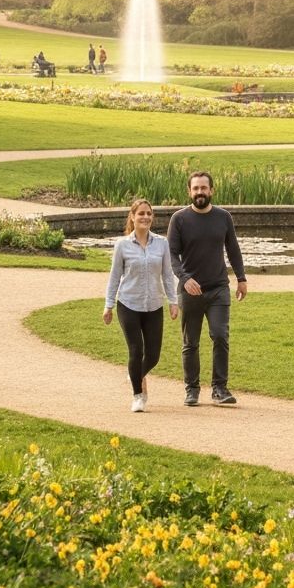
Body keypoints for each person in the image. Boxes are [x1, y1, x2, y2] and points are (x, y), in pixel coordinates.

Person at [167, 171, 247, 407]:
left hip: (218, 288)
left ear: (211, 190)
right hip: (190, 290)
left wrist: (241, 278)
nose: (200, 192)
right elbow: (171, 255)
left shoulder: (223, 217)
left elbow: (233, 249)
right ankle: (191, 390)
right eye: (196, 188)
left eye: (204, 188)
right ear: (189, 191)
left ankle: (219, 389)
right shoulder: (179, 219)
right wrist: (185, 278)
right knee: (190, 342)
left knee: (220, 335)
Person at [103, 199, 179, 413]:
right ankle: (138, 396)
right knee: (136, 350)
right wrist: (108, 305)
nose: (145, 217)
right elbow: (115, 276)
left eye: (148, 213)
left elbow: (167, 274)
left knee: (153, 355)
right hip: (128, 304)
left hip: (154, 305)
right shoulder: (122, 245)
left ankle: (135, 373)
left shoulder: (162, 243)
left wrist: (173, 301)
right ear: (132, 217)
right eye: (141, 214)